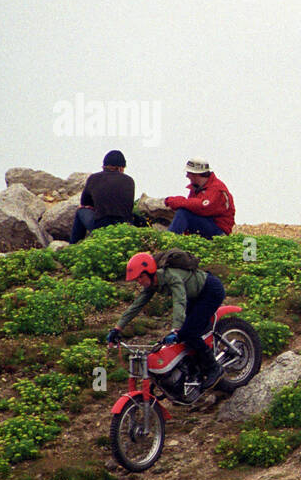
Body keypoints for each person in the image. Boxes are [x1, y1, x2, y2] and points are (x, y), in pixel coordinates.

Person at [106, 252, 226, 389]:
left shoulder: (171, 276)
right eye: (136, 279)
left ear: (150, 272)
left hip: (210, 291)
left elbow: (179, 300)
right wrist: (117, 328)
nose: (139, 281)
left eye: (140, 277)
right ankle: (195, 370)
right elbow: (136, 305)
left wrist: (175, 329)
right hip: (195, 297)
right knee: (182, 336)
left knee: (189, 332)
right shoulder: (152, 284)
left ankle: (213, 367)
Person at [69, 150, 135, 243]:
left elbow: (84, 203)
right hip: (124, 226)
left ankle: (74, 245)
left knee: (81, 211)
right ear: (121, 168)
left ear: (104, 166)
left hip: (101, 226)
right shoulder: (129, 180)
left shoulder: (94, 178)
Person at [165, 158, 235, 238]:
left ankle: (169, 240)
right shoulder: (197, 188)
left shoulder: (217, 189)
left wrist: (175, 201)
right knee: (184, 212)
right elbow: (192, 206)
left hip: (219, 232)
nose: (187, 176)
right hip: (208, 226)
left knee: (183, 213)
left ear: (196, 174)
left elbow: (202, 207)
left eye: (188, 173)